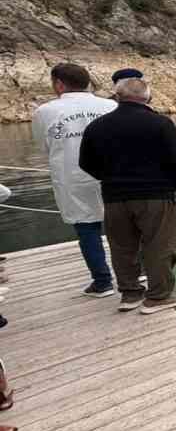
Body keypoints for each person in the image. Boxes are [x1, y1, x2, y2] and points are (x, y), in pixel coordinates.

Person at [79, 78, 176, 314]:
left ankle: (130, 294)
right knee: (160, 245)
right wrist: (170, 185)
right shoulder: (160, 124)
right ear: (147, 98)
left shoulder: (97, 127)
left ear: (117, 97)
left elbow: (86, 163)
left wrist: (110, 178)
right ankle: (159, 295)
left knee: (122, 247)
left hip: (114, 196)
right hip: (155, 195)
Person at [31, 63, 118, 298]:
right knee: (121, 224)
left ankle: (102, 282)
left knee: (86, 227)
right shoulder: (110, 105)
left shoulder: (45, 111)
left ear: (59, 83)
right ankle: (136, 271)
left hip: (72, 176)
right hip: (110, 173)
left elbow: (44, 146)